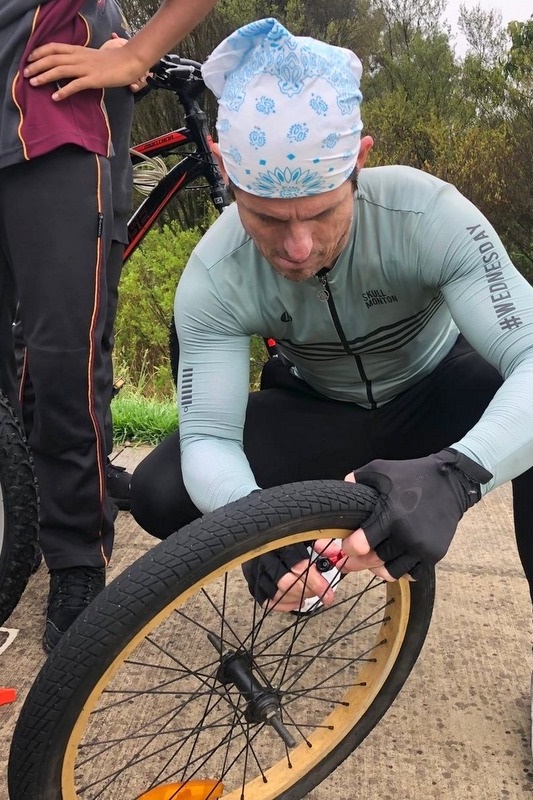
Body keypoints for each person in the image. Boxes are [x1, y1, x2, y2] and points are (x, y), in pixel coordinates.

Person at [130, 17, 533, 645]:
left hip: (438, 391)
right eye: (265, 218)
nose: (297, 247)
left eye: (322, 213)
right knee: (159, 491)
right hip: (318, 407)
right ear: (224, 171)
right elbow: (208, 439)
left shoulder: (426, 214)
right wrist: (251, 526)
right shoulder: (214, 273)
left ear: (359, 162)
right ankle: (302, 563)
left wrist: (459, 473)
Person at [0, 0, 217, 653]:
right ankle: (16, 524)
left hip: (52, 115)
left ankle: (75, 557)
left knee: (62, 354)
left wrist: (136, 53)